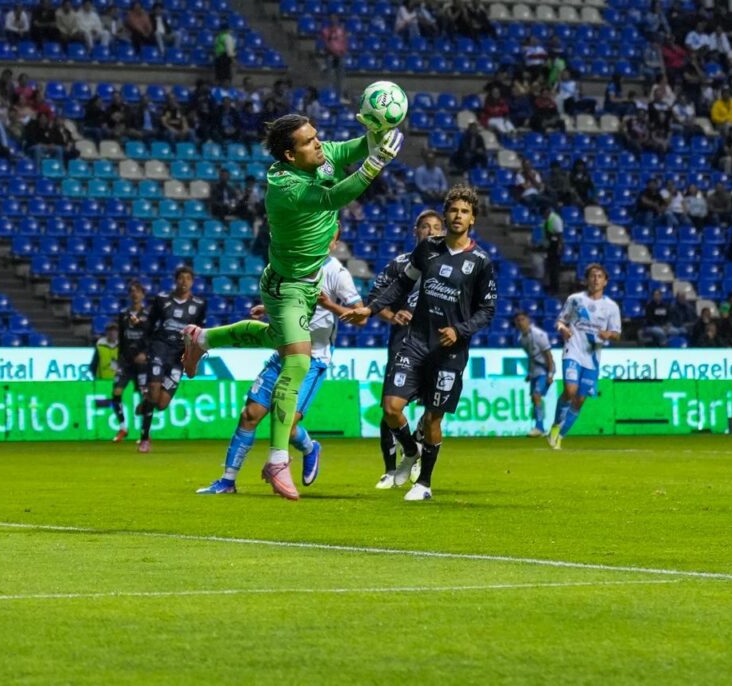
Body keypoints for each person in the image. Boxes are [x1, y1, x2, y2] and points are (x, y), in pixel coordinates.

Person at [180, 115, 404, 496]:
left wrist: (377, 133)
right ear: (289, 155)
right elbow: (333, 197)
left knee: (275, 339)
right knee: (298, 362)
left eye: (317, 136)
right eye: (308, 141)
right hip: (288, 287)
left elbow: (353, 147)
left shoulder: (318, 156)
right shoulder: (286, 187)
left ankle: (202, 339)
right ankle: (277, 460)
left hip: (303, 283)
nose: (318, 144)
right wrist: (375, 164)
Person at [342, 184, 497, 501]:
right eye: (453, 210)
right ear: (446, 215)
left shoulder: (480, 261)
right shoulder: (427, 249)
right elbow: (401, 284)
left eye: (465, 212)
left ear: (473, 219)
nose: (458, 216)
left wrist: (460, 330)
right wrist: (371, 309)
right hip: (415, 342)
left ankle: (424, 483)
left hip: (448, 351)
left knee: (432, 419)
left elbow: (487, 310)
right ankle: (410, 451)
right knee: (391, 408)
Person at [197, 232, 363, 498]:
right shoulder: (296, 264)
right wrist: (268, 308)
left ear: (335, 243)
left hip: (313, 358)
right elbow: (291, 301)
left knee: (287, 423)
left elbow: (361, 317)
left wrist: (329, 304)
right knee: (250, 414)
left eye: (330, 238)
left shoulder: (337, 274)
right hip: (283, 351)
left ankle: (309, 448)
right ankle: (227, 481)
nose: (324, 241)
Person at [364, 209, 445, 487]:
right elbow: (375, 299)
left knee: (432, 410)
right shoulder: (399, 264)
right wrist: (392, 315)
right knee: (391, 407)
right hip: (403, 343)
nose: (431, 231)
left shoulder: (452, 266)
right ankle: (391, 468)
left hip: (437, 346)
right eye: (425, 226)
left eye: (436, 227)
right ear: (416, 231)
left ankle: (418, 453)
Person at [547, 264, 621, 450]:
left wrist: (608, 334)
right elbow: (560, 321)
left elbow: (617, 334)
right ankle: (556, 424)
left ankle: (560, 435)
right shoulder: (575, 300)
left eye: (600, 276)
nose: (596, 279)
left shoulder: (611, 307)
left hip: (592, 358)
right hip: (573, 350)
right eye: (592, 276)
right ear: (587, 279)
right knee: (570, 390)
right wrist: (563, 329)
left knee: (579, 400)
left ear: (605, 281)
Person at [136, 266, 207, 453]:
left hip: (178, 356)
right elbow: (150, 324)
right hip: (159, 348)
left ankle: (147, 403)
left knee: (161, 404)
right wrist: (143, 348)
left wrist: (194, 357)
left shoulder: (199, 304)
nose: (184, 282)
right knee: (154, 390)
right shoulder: (162, 299)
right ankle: (144, 438)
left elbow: (199, 333)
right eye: (181, 278)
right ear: (176, 280)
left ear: (192, 282)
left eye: (188, 278)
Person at [110, 280, 150, 443]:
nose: (135, 294)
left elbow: (152, 336)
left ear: (143, 295)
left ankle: (145, 433)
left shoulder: (148, 315)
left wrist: (146, 354)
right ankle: (123, 428)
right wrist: (119, 359)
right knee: (116, 392)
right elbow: (121, 338)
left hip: (142, 363)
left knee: (145, 397)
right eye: (132, 291)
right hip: (126, 362)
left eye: (138, 291)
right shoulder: (123, 314)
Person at [514, 311, 554, 437]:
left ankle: (539, 427)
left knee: (537, 396)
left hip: (544, 369)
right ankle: (539, 426)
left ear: (528, 320)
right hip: (535, 371)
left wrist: (550, 374)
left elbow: (548, 355)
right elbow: (531, 357)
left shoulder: (538, 334)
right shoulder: (521, 338)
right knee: (534, 398)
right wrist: (530, 373)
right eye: (518, 320)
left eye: (523, 319)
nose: (521, 322)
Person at [319, 15, 347, 99]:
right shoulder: (326, 31)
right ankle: (329, 94)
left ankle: (339, 95)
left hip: (340, 55)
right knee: (329, 75)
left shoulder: (341, 31)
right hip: (330, 55)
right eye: (332, 19)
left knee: (340, 76)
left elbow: (344, 42)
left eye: (335, 19)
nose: (333, 21)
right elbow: (326, 44)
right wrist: (334, 52)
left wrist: (343, 51)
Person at [89, 321, 120, 391]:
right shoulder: (99, 347)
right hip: (102, 382)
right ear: (106, 333)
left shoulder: (121, 348)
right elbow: (93, 365)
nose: (112, 333)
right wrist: (96, 379)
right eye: (110, 331)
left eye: (115, 331)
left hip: (117, 383)